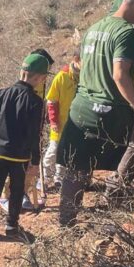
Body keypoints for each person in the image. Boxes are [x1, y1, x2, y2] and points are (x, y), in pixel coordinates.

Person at [57, 0, 134, 227]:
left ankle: (66, 224)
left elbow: (81, 66)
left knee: (75, 170)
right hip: (111, 111)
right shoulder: (126, 32)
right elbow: (120, 76)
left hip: (81, 108)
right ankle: (115, 197)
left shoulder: (94, 27)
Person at [0, 54, 48, 240]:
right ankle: (11, 226)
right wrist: (35, 160)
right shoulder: (35, 102)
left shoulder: (2, 93)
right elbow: (35, 134)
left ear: (22, 72)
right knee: (17, 191)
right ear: (39, 78)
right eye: (43, 78)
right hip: (19, 156)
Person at [42, 51, 80, 189]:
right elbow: (51, 101)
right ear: (76, 59)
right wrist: (53, 121)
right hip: (60, 122)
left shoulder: (85, 77)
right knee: (53, 150)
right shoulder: (62, 76)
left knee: (67, 152)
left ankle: (59, 178)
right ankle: (44, 178)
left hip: (76, 124)